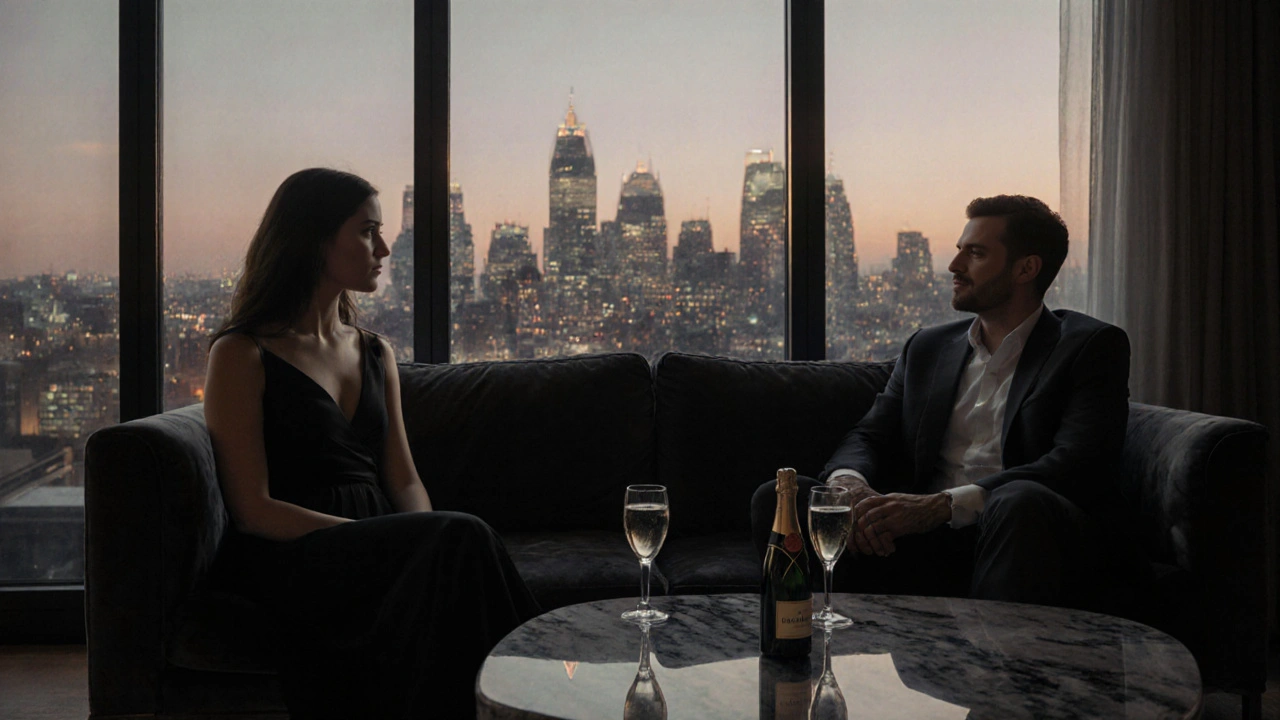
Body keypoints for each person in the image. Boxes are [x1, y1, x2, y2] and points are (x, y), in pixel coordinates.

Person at [204, 168, 539, 719]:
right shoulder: (242, 354)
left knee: (453, 544)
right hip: (296, 554)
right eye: (367, 232)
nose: (384, 247)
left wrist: (414, 538)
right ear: (314, 239)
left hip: (381, 544)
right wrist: (384, 538)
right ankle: (544, 686)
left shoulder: (376, 352)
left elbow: (403, 478)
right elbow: (252, 509)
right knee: (464, 536)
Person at [753, 194, 1137, 607]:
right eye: (959, 251)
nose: (954, 266)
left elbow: (1077, 463)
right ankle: (802, 651)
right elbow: (869, 434)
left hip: (1013, 534)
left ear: (1026, 268)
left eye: (975, 253)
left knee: (1018, 500)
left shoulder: (1089, 346)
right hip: (916, 542)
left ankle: (994, 668)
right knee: (779, 498)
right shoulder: (929, 347)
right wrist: (850, 485)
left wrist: (940, 506)